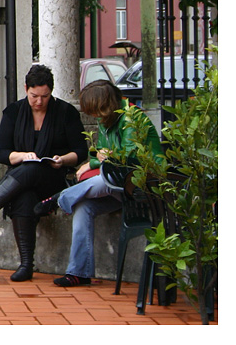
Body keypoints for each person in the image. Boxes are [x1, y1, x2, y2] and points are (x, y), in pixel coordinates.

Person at [34, 79, 164, 287]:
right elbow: (101, 154)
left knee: (106, 176)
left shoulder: (132, 118)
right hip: (118, 187)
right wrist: (96, 160)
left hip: (142, 186)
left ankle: (59, 198)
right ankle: (79, 273)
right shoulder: (107, 121)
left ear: (106, 106)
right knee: (83, 206)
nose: (95, 117)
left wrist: (101, 159)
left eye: (96, 111)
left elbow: (127, 160)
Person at [0, 64, 88, 282]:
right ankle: (26, 265)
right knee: (24, 196)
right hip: (23, 179)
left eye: (45, 96)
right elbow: (3, 153)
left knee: (32, 170)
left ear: (51, 92)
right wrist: (22, 155)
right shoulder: (13, 112)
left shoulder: (66, 112)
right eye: (34, 96)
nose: (39, 102)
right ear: (25, 89)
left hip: (54, 179)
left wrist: (62, 160)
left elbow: (81, 151)